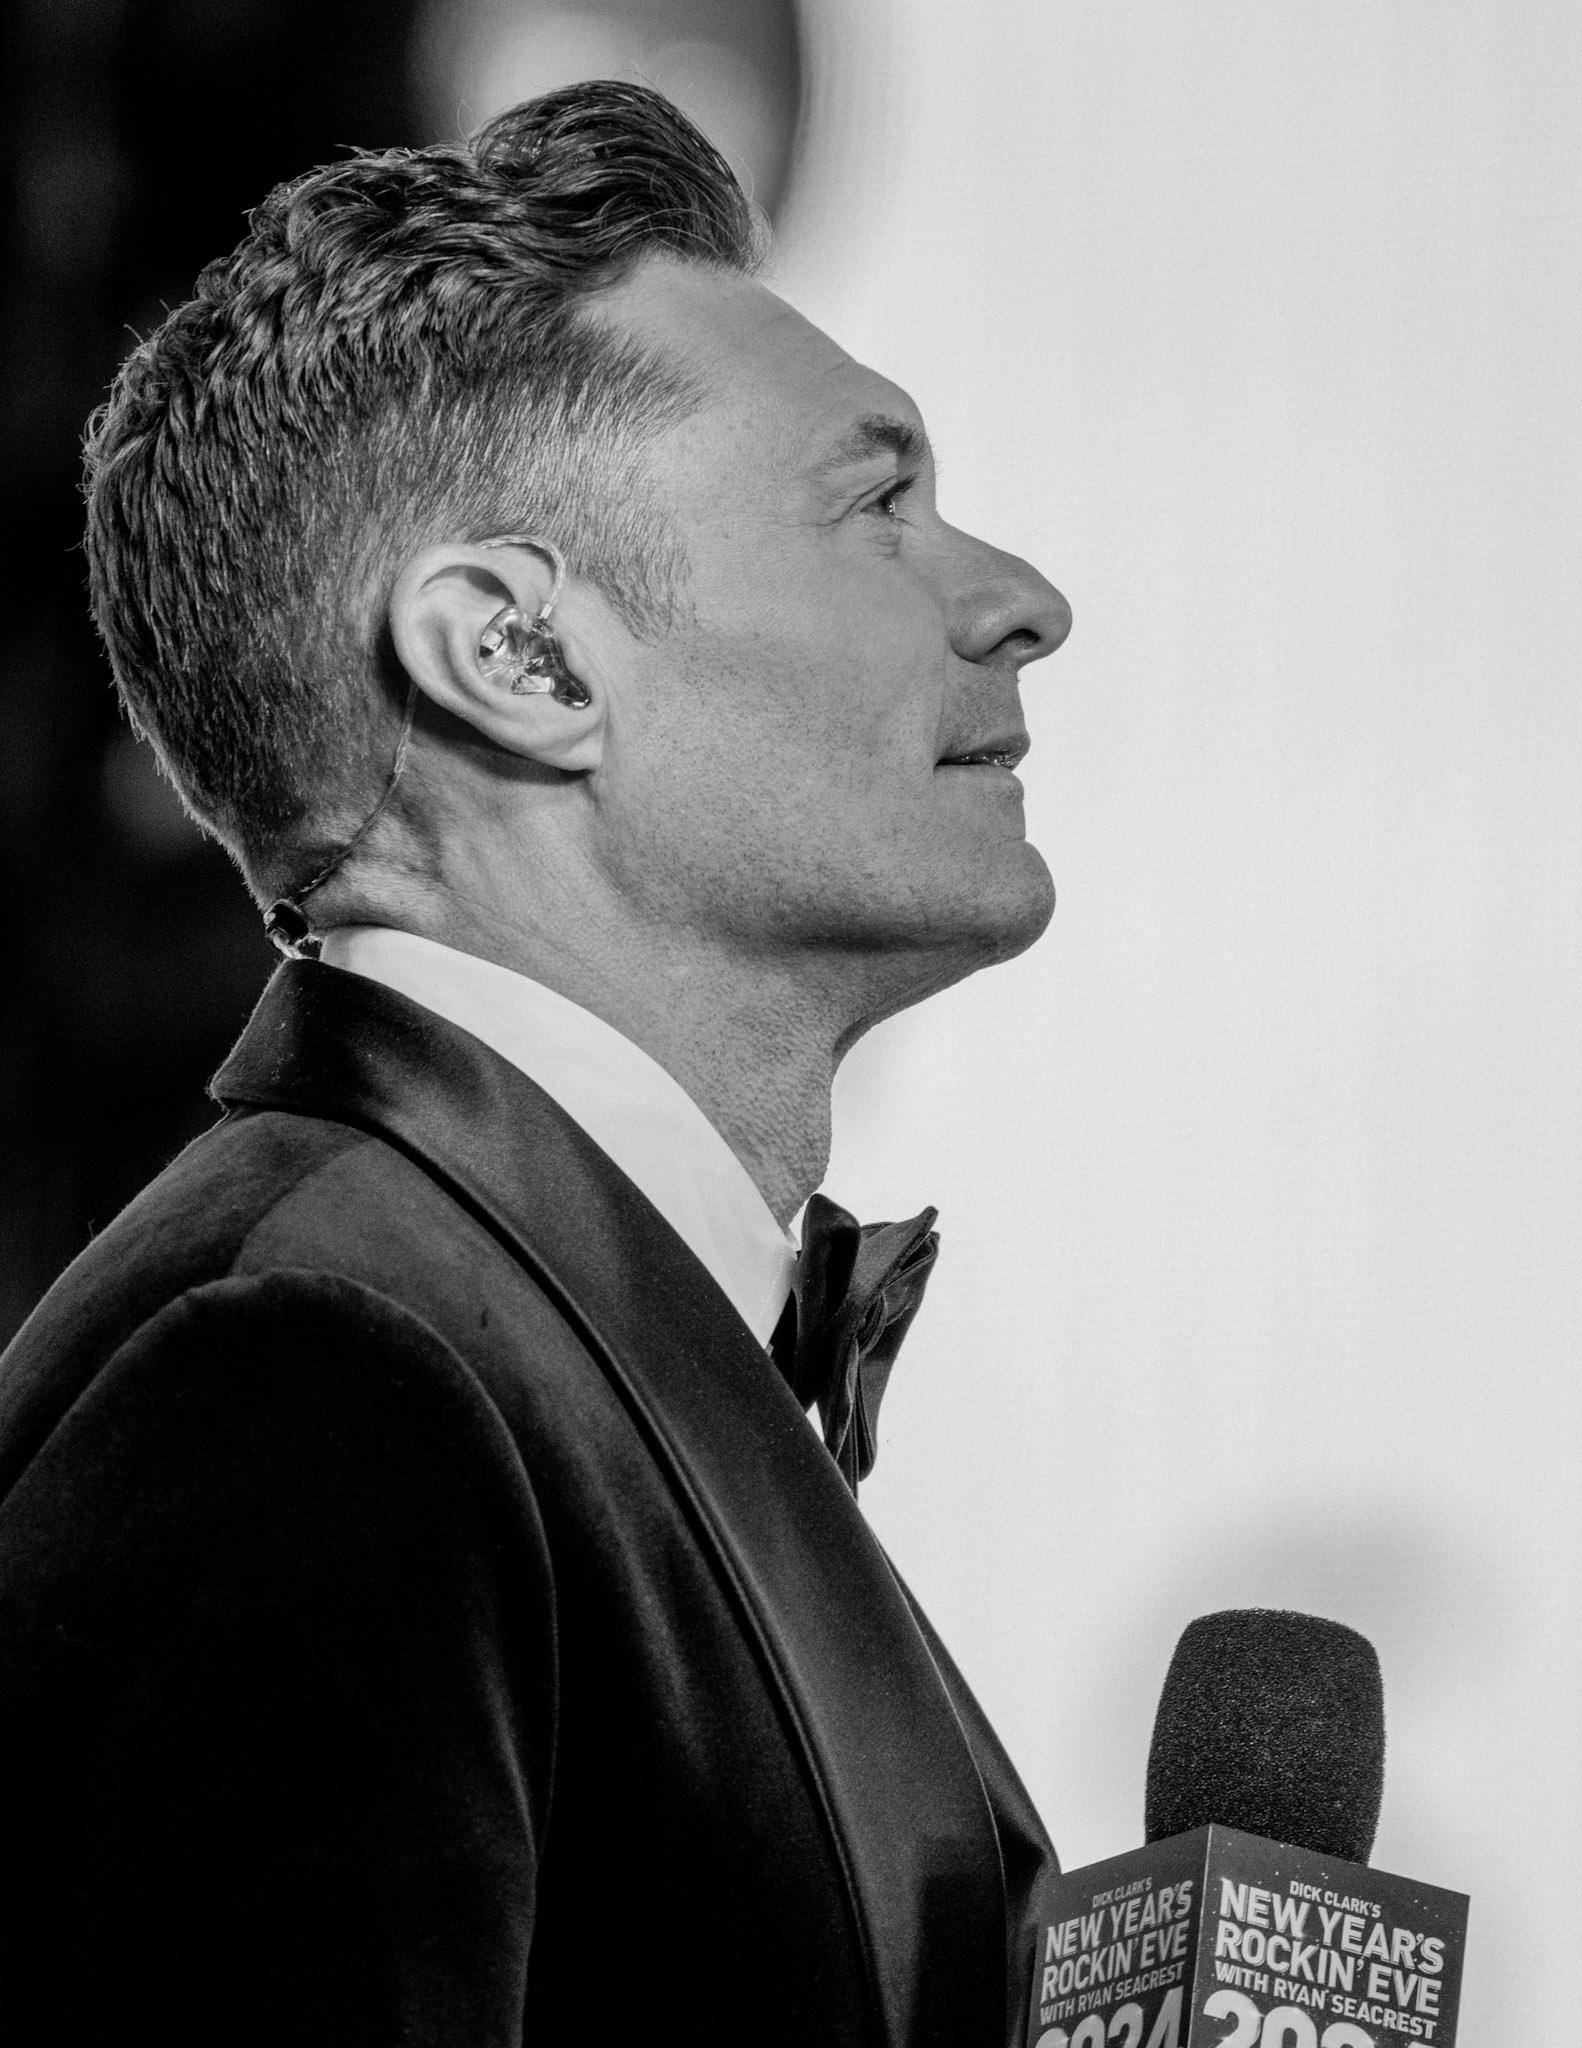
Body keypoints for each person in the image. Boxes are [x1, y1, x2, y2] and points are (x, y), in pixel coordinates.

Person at [0, 82, 1072, 2046]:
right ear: (517, 654)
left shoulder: (475, 1331)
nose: (1021, 602)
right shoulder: (313, 1367)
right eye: (872, 505)